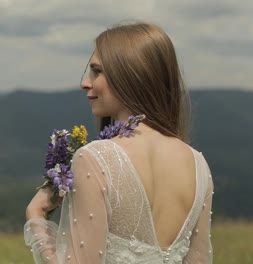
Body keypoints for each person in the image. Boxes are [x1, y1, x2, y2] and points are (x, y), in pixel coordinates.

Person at [25, 21, 214, 264]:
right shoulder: (197, 164)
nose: (85, 82)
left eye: (97, 70)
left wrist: (35, 216)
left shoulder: (95, 159)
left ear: (131, 75)